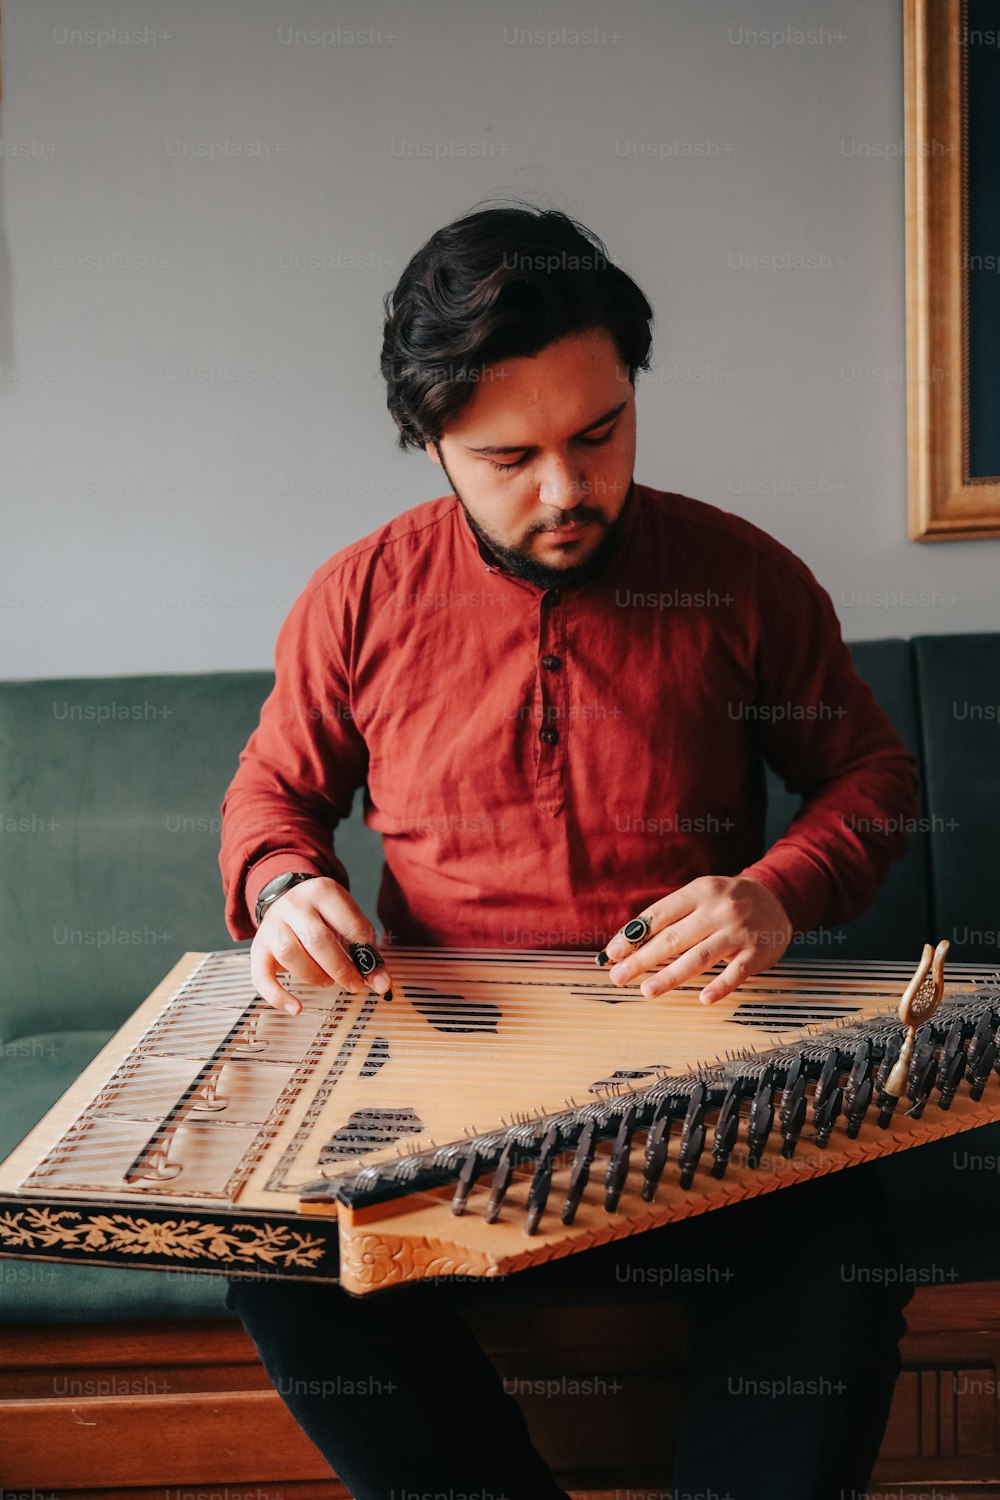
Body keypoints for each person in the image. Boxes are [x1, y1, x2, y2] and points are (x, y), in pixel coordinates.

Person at [219, 201, 919, 1500]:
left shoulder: (741, 579)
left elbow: (871, 783)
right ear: (429, 442)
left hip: (700, 1085)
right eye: (508, 456)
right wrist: (287, 890)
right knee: (276, 1254)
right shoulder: (357, 600)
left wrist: (774, 894)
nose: (566, 490)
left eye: (600, 436)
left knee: (840, 1240)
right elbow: (269, 804)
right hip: (441, 1098)